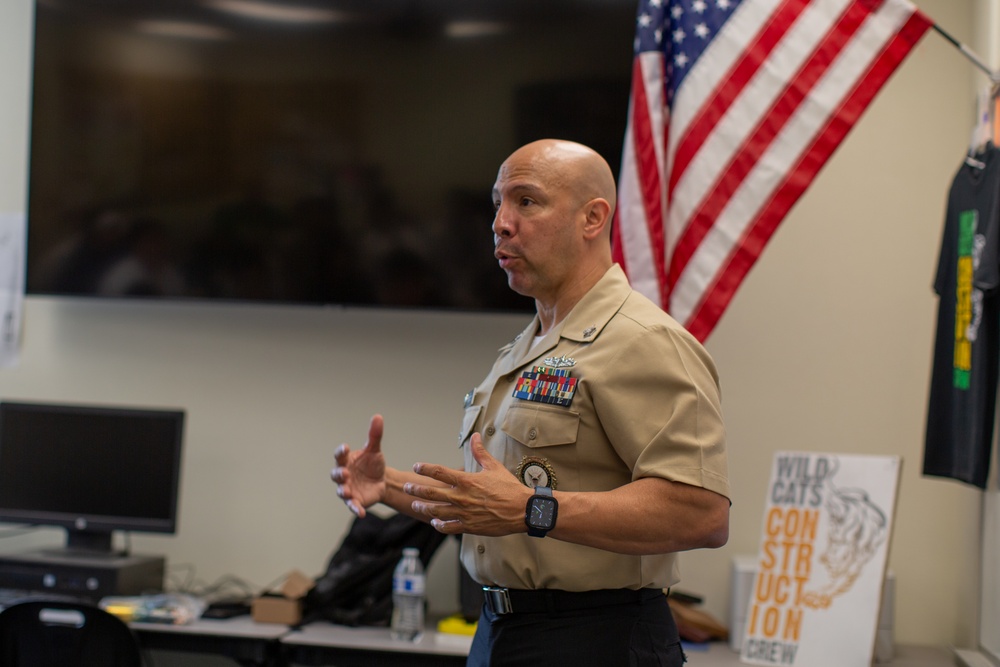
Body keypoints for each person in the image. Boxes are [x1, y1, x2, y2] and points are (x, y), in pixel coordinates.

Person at [331, 139, 731, 666]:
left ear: (592, 218)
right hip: (501, 633)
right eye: (498, 202)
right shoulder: (528, 347)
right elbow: (489, 503)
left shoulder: (642, 339)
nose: (500, 222)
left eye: (526, 201)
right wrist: (388, 486)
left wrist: (533, 510)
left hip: (596, 639)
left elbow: (701, 513)